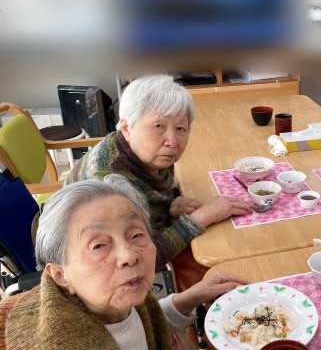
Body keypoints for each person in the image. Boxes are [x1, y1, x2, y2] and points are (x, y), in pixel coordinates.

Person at [0, 175, 245, 350]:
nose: (129, 255)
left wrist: (192, 295)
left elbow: (136, 326)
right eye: (99, 245)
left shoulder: (106, 303)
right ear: (60, 274)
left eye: (136, 234)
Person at [66, 75, 252, 290]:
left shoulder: (146, 154)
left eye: (180, 128)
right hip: (102, 280)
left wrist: (169, 206)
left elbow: (149, 202)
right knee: (233, 268)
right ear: (127, 128)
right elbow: (139, 261)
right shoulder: (110, 185)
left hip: (144, 237)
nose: (172, 141)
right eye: (158, 126)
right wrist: (199, 218)